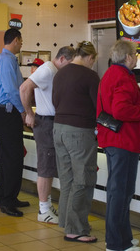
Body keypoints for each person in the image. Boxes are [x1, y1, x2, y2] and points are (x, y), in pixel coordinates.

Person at [97, 39, 140, 251]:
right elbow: (120, 110)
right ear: (128, 56)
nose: (137, 58)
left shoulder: (111, 74)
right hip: (123, 141)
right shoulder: (122, 76)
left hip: (116, 140)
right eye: (136, 54)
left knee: (120, 191)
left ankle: (124, 238)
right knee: (120, 192)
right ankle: (115, 244)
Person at [20, 46, 76, 225]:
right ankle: (43, 209)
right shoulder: (46, 70)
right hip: (45, 123)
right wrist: (28, 113)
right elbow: (24, 88)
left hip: (51, 122)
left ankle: (47, 205)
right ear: (62, 59)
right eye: (69, 64)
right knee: (45, 166)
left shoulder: (53, 71)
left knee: (50, 166)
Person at [52, 41, 100, 243]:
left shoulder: (60, 73)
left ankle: (65, 221)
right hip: (80, 131)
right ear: (90, 57)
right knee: (83, 179)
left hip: (59, 129)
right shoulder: (89, 75)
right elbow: (99, 105)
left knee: (67, 179)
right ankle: (76, 229)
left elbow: (55, 100)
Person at [0, 28, 28, 217]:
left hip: (8, 111)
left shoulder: (8, 59)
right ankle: (6, 200)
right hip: (7, 112)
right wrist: (23, 111)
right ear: (14, 40)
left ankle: (12, 196)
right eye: (20, 41)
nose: (22, 44)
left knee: (14, 156)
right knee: (10, 157)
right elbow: (12, 90)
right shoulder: (5, 60)